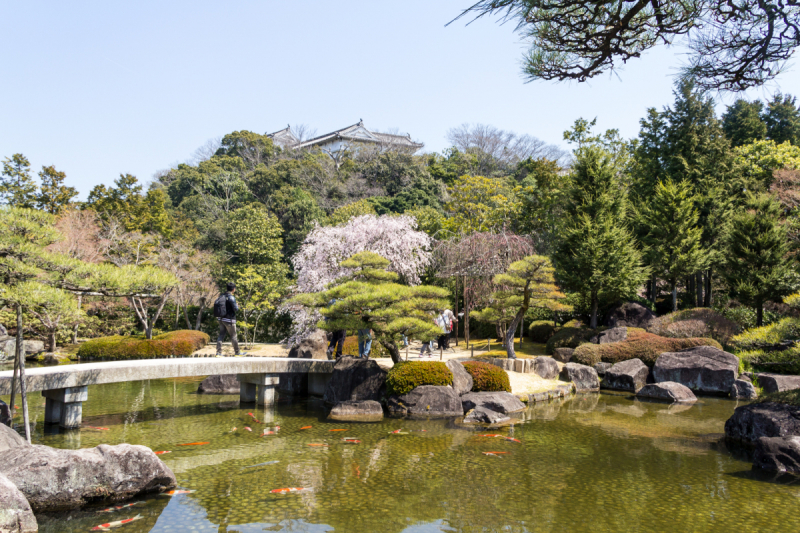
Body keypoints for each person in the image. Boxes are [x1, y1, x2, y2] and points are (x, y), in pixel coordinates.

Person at [214, 282, 240, 357]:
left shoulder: (221, 296)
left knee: (221, 335)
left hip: (221, 319)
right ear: (233, 289)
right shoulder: (231, 297)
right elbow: (236, 309)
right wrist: (237, 306)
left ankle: (218, 352)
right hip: (229, 320)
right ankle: (237, 352)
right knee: (233, 336)